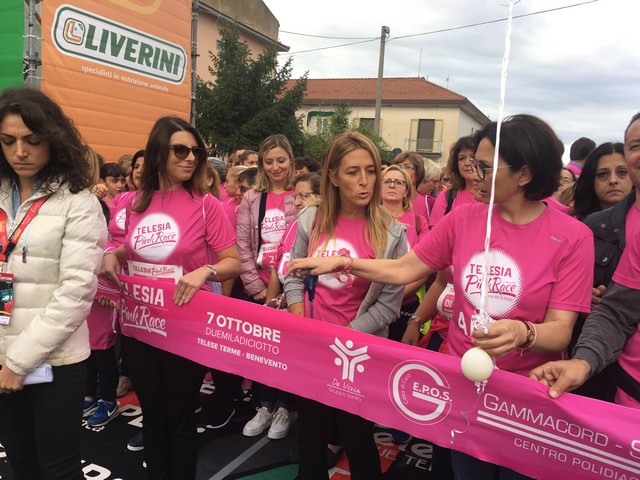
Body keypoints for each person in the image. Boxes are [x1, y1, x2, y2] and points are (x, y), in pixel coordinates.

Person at [287, 115, 595, 480]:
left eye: (483, 167)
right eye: (471, 164)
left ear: (524, 174)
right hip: (462, 385)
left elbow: (561, 332)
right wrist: (346, 262)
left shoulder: (573, 237)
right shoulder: (462, 219)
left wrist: (523, 333)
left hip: (526, 398)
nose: (471, 174)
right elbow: (402, 270)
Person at [101, 116, 241, 480]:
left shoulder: (205, 204)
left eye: (196, 151)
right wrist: (112, 256)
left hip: (184, 327)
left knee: (180, 418)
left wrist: (204, 271)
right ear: (158, 152)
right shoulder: (132, 202)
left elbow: (233, 262)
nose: (190, 158)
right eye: (180, 150)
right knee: (152, 415)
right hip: (140, 326)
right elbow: (124, 248)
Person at [284, 132, 406, 480]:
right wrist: (302, 323)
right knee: (310, 435)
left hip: (357, 354)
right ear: (333, 177)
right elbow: (294, 274)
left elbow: (388, 307)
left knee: (356, 437)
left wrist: (345, 338)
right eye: (353, 172)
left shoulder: (392, 232)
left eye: (371, 170)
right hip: (311, 348)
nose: (365, 181)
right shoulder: (311, 219)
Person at [0, 87, 107, 479]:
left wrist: (19, 361)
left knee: (59, 469)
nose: (20, 152)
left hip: (55, 361)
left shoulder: (78, 202)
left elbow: (76, 293)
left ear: (53, 139)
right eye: (8, 141)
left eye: (32, 140)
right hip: (2, 354)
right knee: (21, 463)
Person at [531, 112, 640, 405]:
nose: (613, 181)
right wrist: (578, 301)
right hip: (610, 375)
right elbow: (617, 311)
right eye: (636, 145)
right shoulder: (586, 228)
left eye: (619, 172)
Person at [236, 134, 297, 439]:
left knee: (288, 351)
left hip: (291, 289)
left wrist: (290, 291)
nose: (275, 167)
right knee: (261, 349)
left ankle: (286, 406)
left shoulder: (300, 194)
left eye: (281, 160)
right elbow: (243, 245)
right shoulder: (252, 197)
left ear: (291, 161)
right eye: (269, 161)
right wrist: (254, 285)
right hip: (259, 287)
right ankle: (264, 404)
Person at [380, 164, 427, 342]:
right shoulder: (367, 219)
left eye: (399, 182)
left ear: (406, 191)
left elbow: (424, 267)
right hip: (367, 304)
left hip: (405, 304)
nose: (392, 185)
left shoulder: (418, 222)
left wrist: (394, 296)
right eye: (387, 181)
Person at [570, 142, 632, 221]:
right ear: (591, 180)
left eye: (622, 172)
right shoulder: (576, 224)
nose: (613, 180)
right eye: (603, 174)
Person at [429, 136, 479, 227]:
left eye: (473, 157)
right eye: (462, 158)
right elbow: (435, 233)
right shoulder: (446, 197)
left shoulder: (495, 197)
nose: (467, 163)